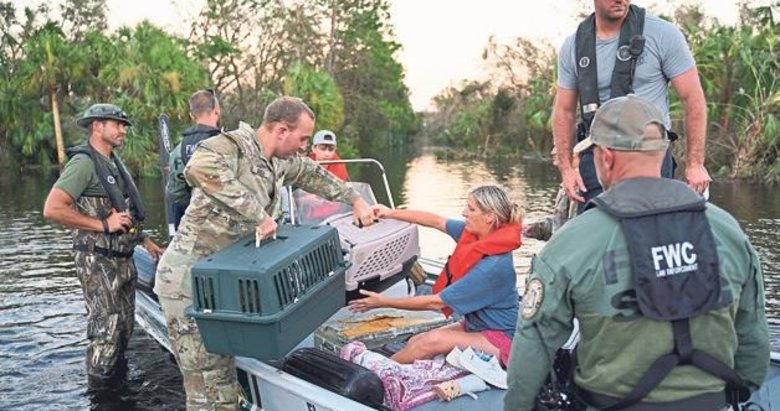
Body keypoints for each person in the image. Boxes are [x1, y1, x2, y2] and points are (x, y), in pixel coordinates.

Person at [504, 95, 768, 411]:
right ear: (662, 152)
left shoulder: (573, 241)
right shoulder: (727, 229)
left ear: (606, 157)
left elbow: (536, 341)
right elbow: (753, 341)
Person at [153, 96, 377, 410]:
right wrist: (258, 214)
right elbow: (198, 167)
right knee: (207, 386)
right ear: (281, 130)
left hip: (224, 285)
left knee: (225, 383)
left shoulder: (281, 161)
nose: (304, 146)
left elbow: (314, 174)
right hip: (188, 285)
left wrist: (354, 199)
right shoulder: (232, 146)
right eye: (302, 138)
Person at [42, 103, 164, 386]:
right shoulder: (84, 163)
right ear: (97, 126)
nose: (123, 130)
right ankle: (101, 395)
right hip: (98, 262)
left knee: (123, 330)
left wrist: (145, 241)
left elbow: (121, 212)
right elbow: (52, 208)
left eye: (124, 125)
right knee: (105, 333)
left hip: (123, 259)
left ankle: (118, 391)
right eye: (117, 124)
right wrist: (102, 225)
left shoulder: (112, 163)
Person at [553, 0, 710, 214]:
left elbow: (693, 99)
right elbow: (564, 110)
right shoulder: (573, 46)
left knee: (651, 226)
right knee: (597, 227)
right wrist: (567, 169)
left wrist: (695, 163)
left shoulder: (663, 34)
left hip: (649, 152)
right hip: (599, 154)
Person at [349, 185, 522, 368]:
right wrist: (390, 212)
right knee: (417, 340)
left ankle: (376, 373)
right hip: (478, 326)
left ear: (489, 217)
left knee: (429, 341)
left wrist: (383, 302)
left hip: (502, 340)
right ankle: (390, 368)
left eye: (471, 209)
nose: (464, 213)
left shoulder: (491, 269)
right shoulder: (477, 234)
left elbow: (436, 303)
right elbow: (436, 221)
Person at [166, 89, 222, 230]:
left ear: (192, 115)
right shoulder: (227, 145)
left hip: (192, 226)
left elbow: (175, 193)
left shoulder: (178, 150)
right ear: (216, 110)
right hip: (222, 227)